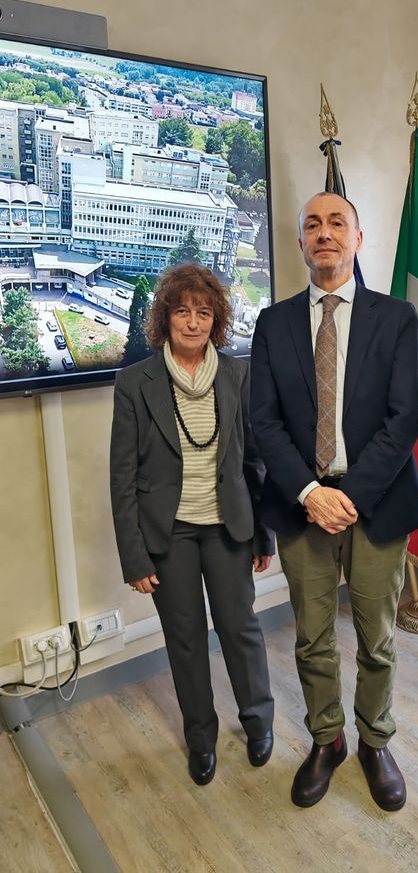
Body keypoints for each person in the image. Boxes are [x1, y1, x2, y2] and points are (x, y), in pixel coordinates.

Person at [250, 192, 418, 811]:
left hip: (375, 503)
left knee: (378, 638)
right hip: (301, 505)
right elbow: (263, 421)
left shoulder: (397, 317)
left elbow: (406, 417)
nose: (324, 233)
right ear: (301, 243)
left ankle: (376, 740)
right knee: (312, 637)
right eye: (312, 225)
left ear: (359, 238)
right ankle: (327, 739)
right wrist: (309, 492)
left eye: (336, 223)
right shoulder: (272, 324)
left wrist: (345, 497)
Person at [110, 263, 275, 786]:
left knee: (241, 629)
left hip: (228, 527)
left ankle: (258, 723)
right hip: (169, 535)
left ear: (216, 320)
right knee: (184, 639)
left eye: (203, 312)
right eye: (182, 311)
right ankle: (200, 740)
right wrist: (133, 556)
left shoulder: (237, 374)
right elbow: (122, 476)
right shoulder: (135, 382)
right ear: (166, 317)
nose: (193, 322)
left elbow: (255, 462)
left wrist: (261, 532)